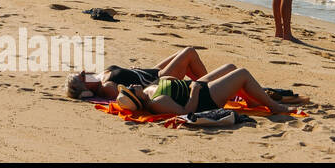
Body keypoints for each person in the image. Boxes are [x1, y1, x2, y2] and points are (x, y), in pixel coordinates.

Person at [114, 67, 298, 115]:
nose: (130, 86)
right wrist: (194, 90)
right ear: (136, 100)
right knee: (242, 73)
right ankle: (275, 107)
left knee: (230, 67)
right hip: (204, 98)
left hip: (196, 86)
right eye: (130, 90)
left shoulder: (147, 91)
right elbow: (188, 111)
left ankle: (252, 100)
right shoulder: (156, 102)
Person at [65, 48, 214, 100]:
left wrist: (132, 71)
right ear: (86, 91)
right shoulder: (106, 87)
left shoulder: (98, 77)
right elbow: (135, 94)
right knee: (189, 52)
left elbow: (125, 76)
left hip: (150, 71)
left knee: (183, 55)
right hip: (158, 79)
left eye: (80, 72)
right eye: (82, 77)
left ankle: (210, 84)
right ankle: (209, 87)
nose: (84, 72)